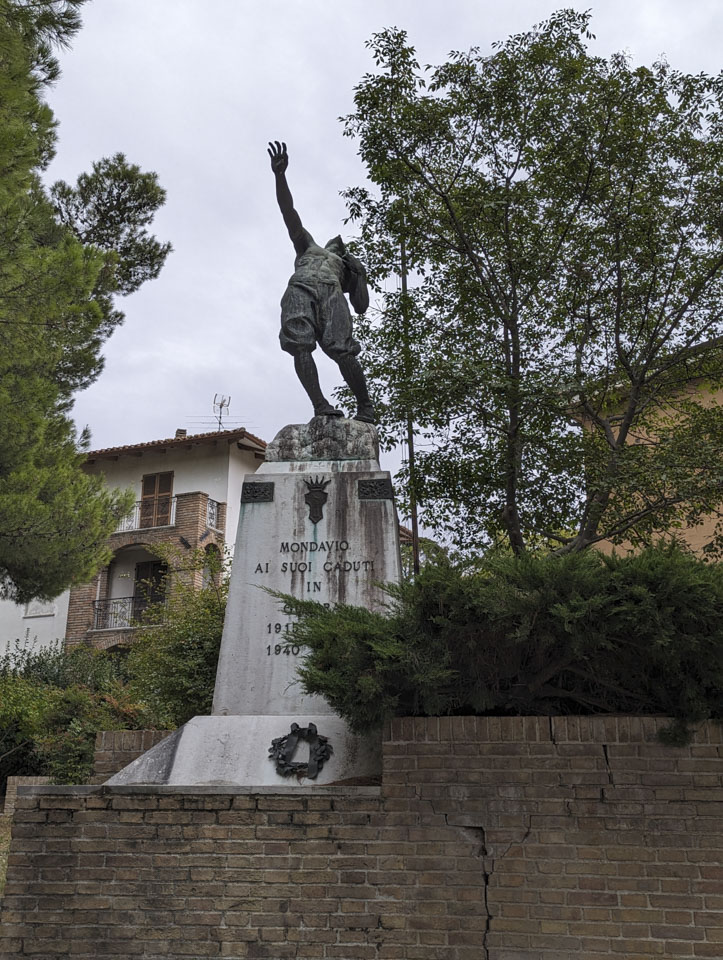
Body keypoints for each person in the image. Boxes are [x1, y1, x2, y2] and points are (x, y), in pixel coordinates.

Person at [268, 140, 375, 423]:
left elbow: (362, 306)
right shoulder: (309, 246)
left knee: (342, 348)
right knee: (299, 344)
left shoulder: (347, 266)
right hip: (300, 286)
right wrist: (280, 176)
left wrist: (360, 274)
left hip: (332, 292)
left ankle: (366, 407)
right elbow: (288, 213)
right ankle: (320, 404)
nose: (337, 243)